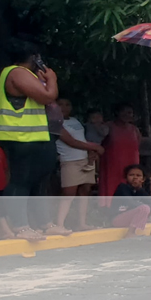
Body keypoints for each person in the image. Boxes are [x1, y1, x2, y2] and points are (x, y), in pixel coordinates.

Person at [0, 37, 60, 240]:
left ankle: (45, 224)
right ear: (33, 57)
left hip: (36, 135)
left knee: (39, 180)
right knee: (21, 181)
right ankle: (20, 227)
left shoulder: (26, 74)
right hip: (20, 136)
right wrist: (52, 80)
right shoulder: (16, 73)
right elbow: (47, 96)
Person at [53, 98, 104, 233]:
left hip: (85, 159)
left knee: (85, 192)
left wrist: (90, 151)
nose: (64, 107)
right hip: (70, 161)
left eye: (67, 104)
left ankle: (81, 223)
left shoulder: (75, 121)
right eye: (60, 104)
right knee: (68, 193)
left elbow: (82, 139)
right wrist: (94, 147)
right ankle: (59, 224)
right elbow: (71, 141)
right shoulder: (55, 122)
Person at [97, 102, 143, 209]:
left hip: (131, 164)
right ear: (117, 112)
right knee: (112, 185)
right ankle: (108, 209)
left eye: (130, 113)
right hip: (113, 164)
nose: (127, 115)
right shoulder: (108, 126)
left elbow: (138, 143)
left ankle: (133, 208)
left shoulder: (134, 129)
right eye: (124, 112)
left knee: (131, 183)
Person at [111, 165, 151, 234]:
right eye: (131, 175)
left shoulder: (140, 190)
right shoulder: (123, 187)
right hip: (118, 219)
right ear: (126, 177)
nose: (135, 177)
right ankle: (131, 233)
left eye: (138, 175)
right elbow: (131, 203)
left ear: (143, 179)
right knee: (144, 208)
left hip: (132, 217)